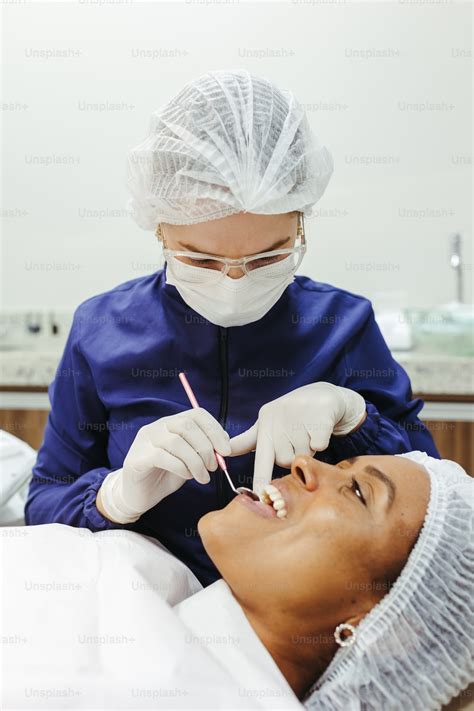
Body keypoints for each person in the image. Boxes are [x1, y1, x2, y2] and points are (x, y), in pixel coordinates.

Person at [25, 69, 439, 586]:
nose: (234, 281)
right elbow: (43, 504)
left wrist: (355, 419)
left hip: (298, 621)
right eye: (200, 259)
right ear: (159, 225)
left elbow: (435, 497)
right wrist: (114, 498)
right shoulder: (101, 330)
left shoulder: (343, 324)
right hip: (151, 620)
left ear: (300, 222)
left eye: (268, 255)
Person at [6, 452, 473, 710]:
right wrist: (108, 499)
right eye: (344, 463)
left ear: (384, 629)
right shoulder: (166, 583)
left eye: (357, 492)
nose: (306, 463)